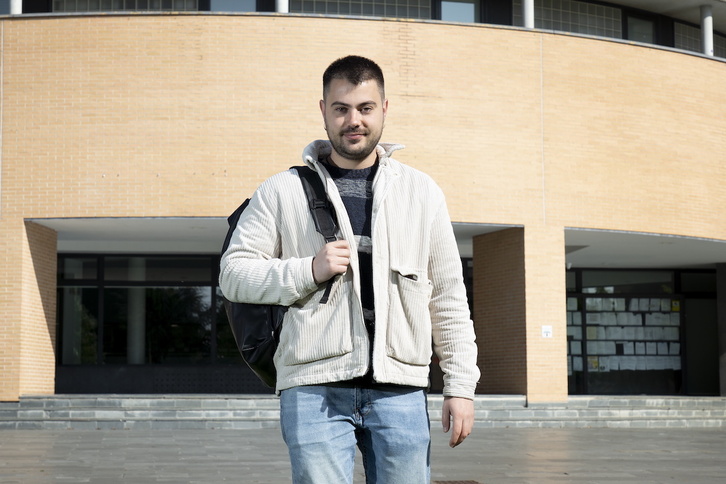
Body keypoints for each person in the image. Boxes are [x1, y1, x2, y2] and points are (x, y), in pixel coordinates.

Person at [219, 55, 480, 484]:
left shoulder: (422, 192)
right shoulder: (281, 190)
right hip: (313, 387)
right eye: (340, 108)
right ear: (323, 111)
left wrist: (460, 386)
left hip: (401, 389)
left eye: (365, 108)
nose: (353, 120)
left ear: (384, 109)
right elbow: (233, 274)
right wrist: (308, 270)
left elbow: (448, 296)